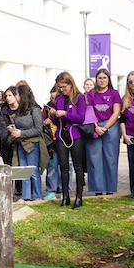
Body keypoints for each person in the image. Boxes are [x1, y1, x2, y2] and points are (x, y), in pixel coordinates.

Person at [47, 71, 88, 208]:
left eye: (64, 87)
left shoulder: (79, 98)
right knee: (63, 167)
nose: (62, 89)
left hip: (75, 135)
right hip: (61, 135)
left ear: (70, 84)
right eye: (59, 87)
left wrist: (65, 114)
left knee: (77, 166)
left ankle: (79, 197)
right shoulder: (58, 99)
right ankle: (65, 196)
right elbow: (55, 121)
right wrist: (53, 115)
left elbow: (81, 118)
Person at [84, 68, 122, 195]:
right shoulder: (91, 94)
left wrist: (105, 127)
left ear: (108, 79)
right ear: (96, 80)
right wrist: (96, 127)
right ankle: (97, 189)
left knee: (110, 158)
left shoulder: (114, 93)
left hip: (111, 126)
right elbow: (89, 111)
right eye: (99, 78)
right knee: (94, 158)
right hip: (94, 125)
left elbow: (116, 112)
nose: (102, 80)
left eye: (104, 78)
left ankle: (110, 189)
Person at [7, 84, 45, 201]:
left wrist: (21, 133)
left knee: (33, 170)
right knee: (23, 170)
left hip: (32, 144)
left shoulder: (35, 110)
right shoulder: (20, 110)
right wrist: (13, 129)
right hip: (21, 144)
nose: (15, 97)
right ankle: (25, 196)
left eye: (17, 94)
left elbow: (38, 129)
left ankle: (37, 196)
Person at [0, 86, 19, 167]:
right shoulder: (3, 111)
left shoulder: (22, 109)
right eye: (6, 96)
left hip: (21, 144)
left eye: (10, 95)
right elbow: (2, 130)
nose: (8, 98)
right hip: (7, 146)